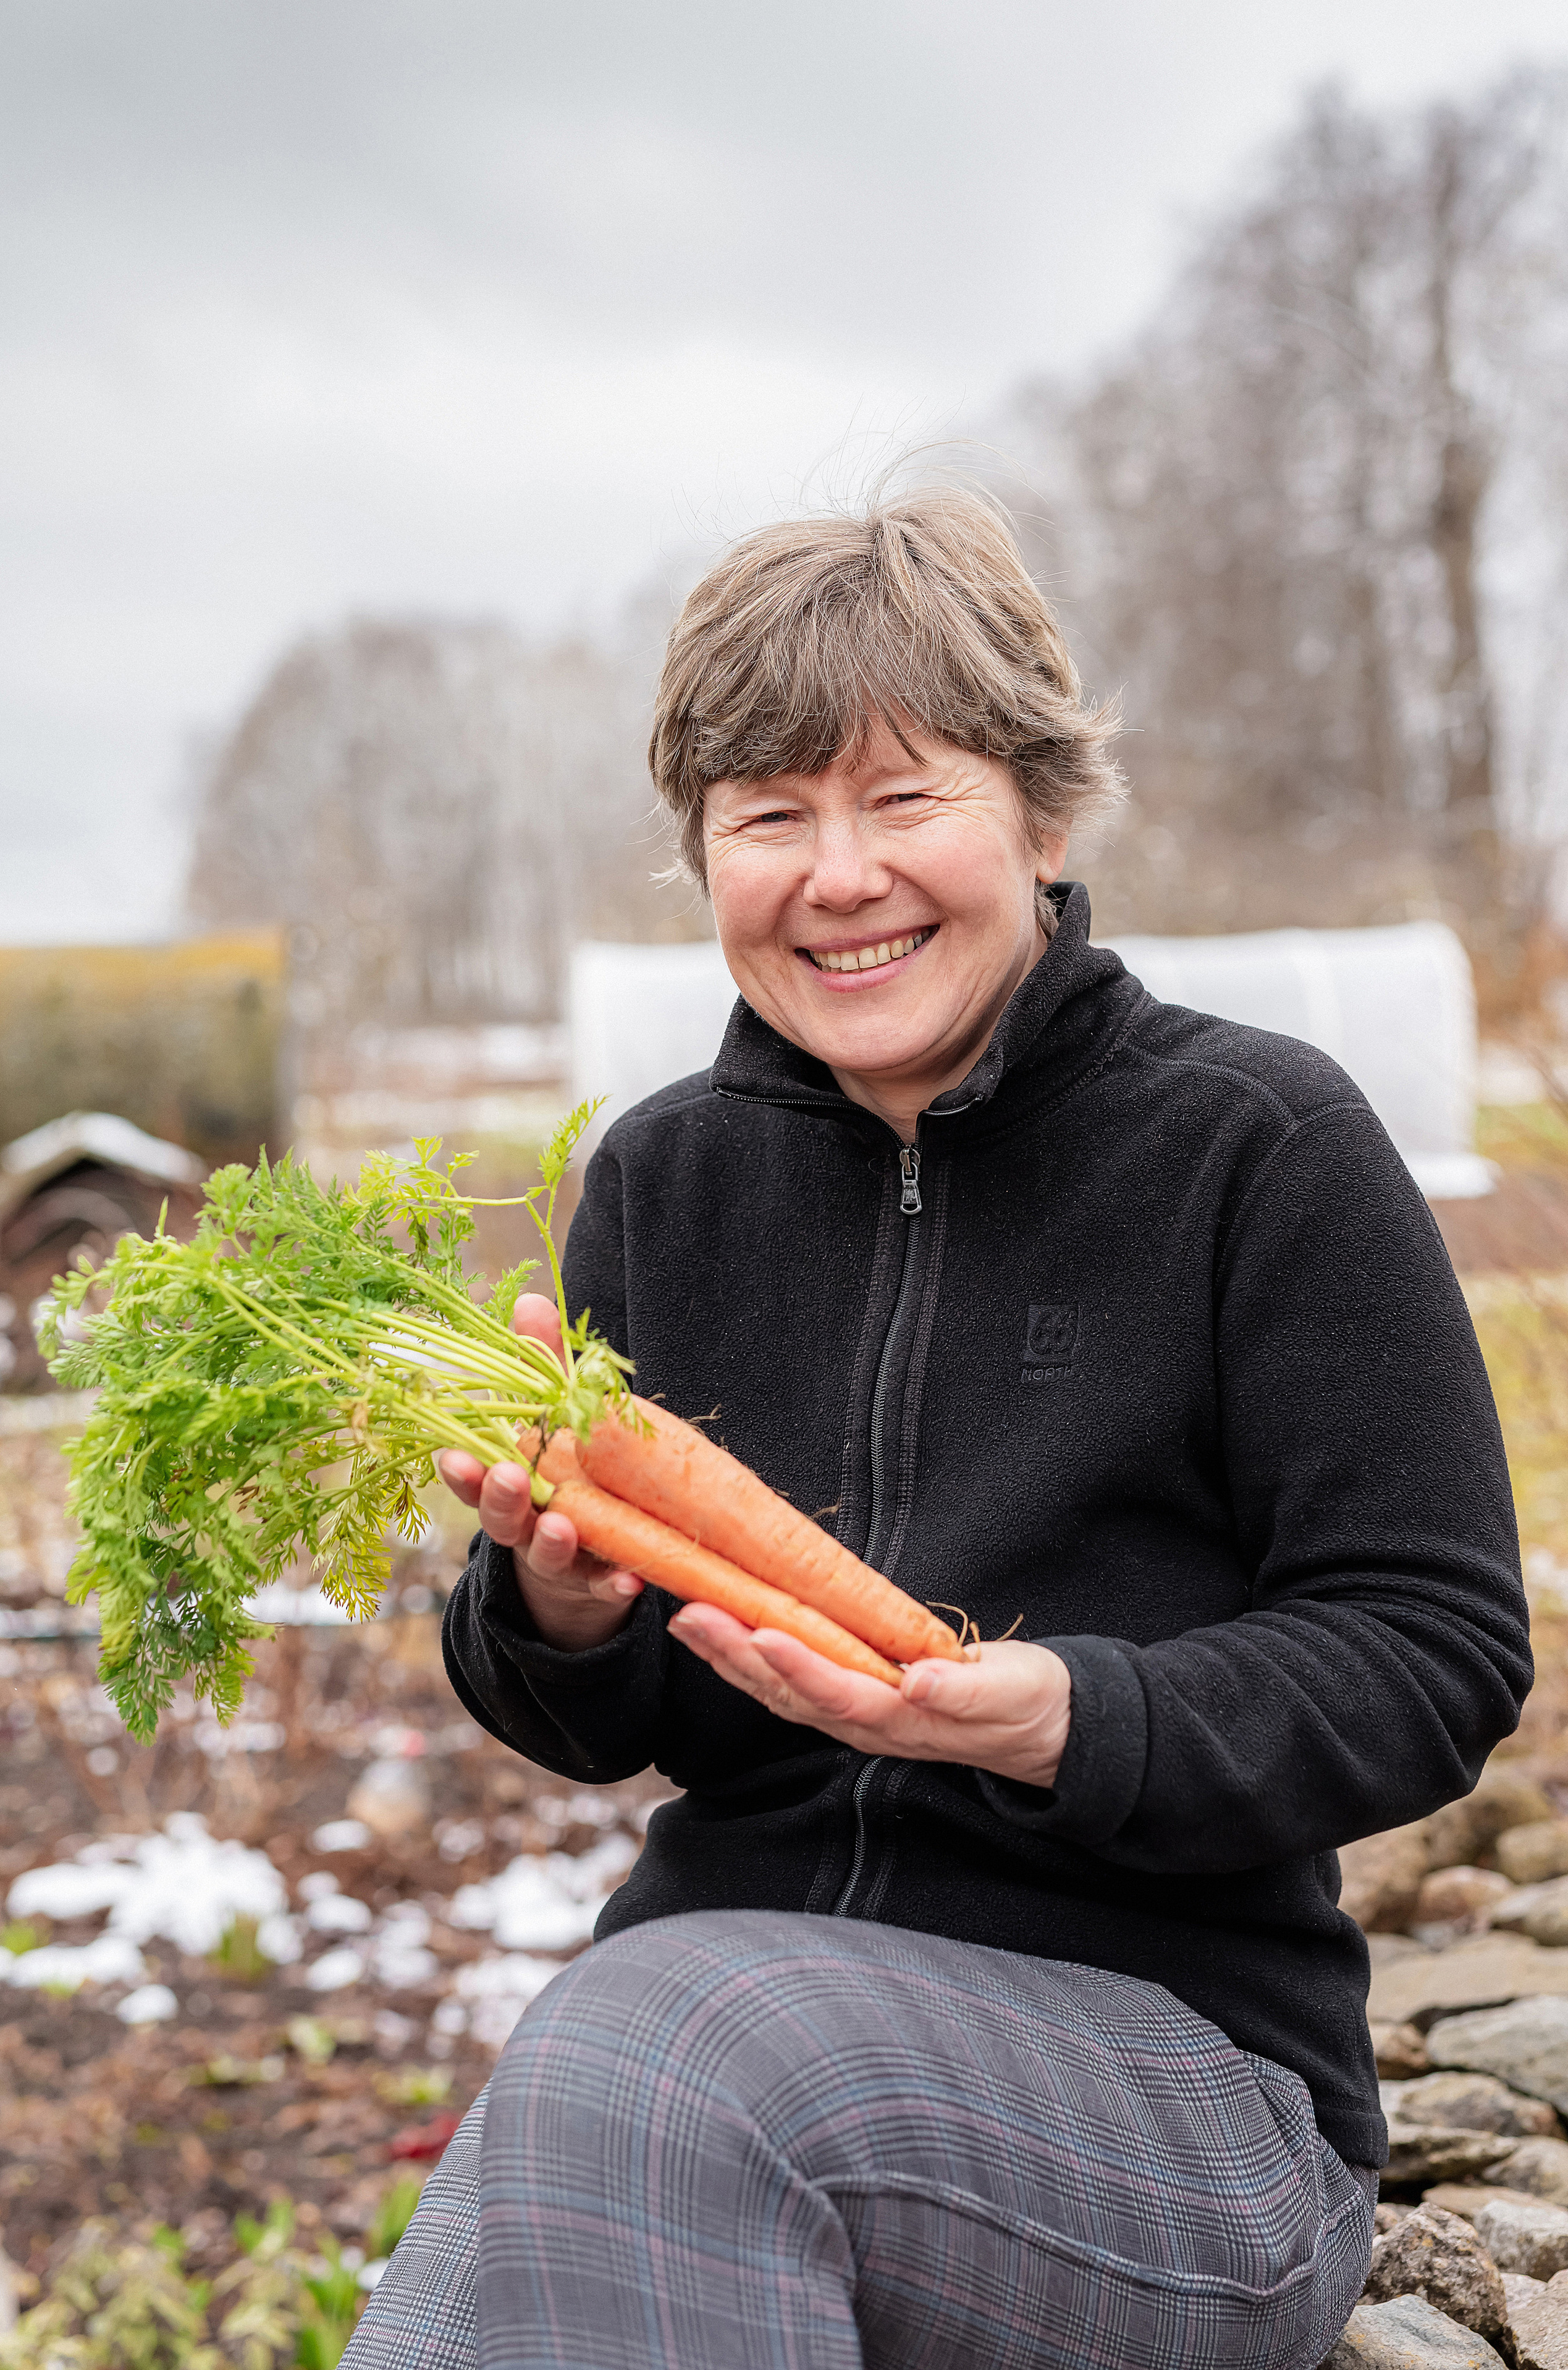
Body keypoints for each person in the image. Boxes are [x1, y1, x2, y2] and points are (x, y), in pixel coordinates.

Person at [346, 489, 1529, 2370]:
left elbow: (1437, 1652)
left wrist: (1077, 1714)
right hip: (716, 2042)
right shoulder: (661, 1182)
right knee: (441, 2322)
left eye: (904, 799)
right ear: (704, 853)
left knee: (657, 2044)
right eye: (769, 816)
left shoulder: (1260, 1148)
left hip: (1174, 2091)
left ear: (1043, 815)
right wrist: (558, 1610)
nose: (838, 873)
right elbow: (604, 1715)